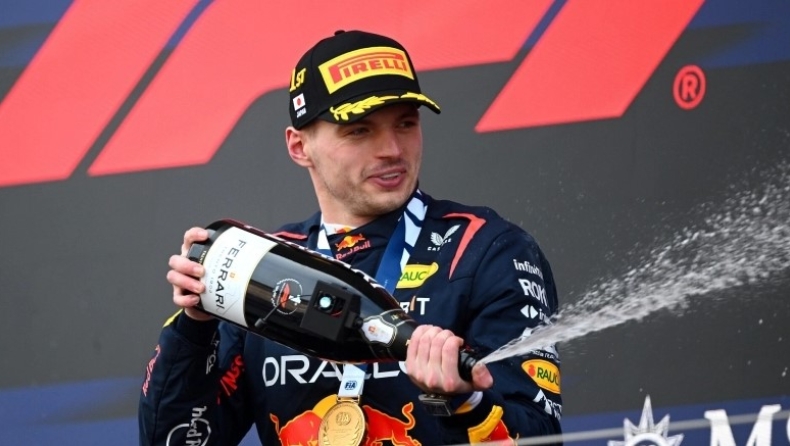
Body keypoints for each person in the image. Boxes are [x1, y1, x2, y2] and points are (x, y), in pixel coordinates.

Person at [139, 30, 562, 445]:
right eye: (359, 130)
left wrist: (465, 402)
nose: (392, 149)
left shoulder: (485, 249)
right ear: (299, 146)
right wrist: (194, 328)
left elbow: (540, 437)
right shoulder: (261, 267)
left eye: (406, 123)